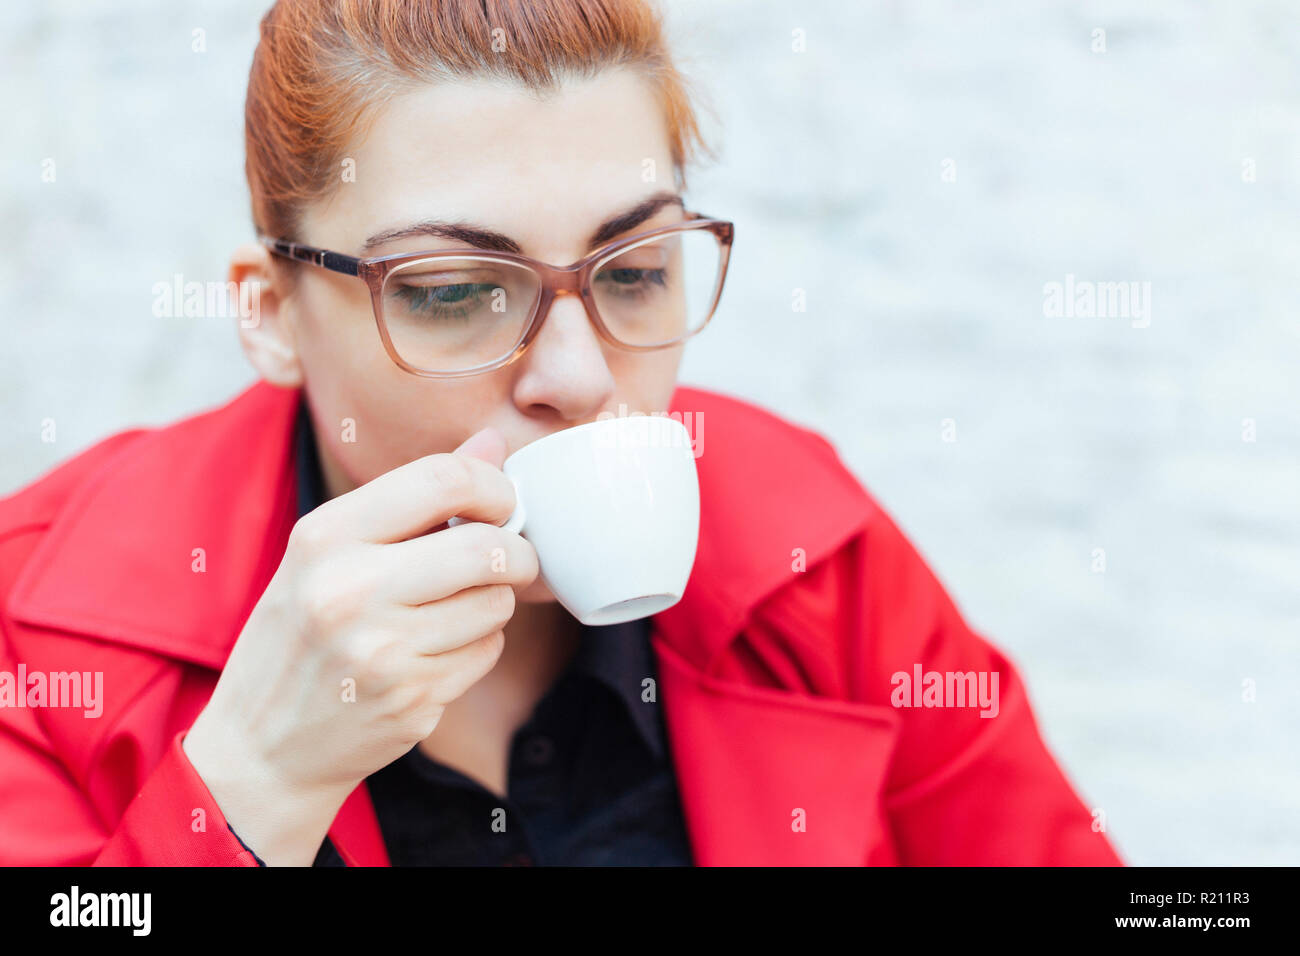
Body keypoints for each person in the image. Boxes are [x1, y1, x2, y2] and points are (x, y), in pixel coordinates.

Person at [0, 0, 1123, 866]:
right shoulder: (39, 634)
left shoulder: (807, 550)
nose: (580, 378)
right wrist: (250, 784)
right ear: (269, 313)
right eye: (455, 291)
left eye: (634, 272)